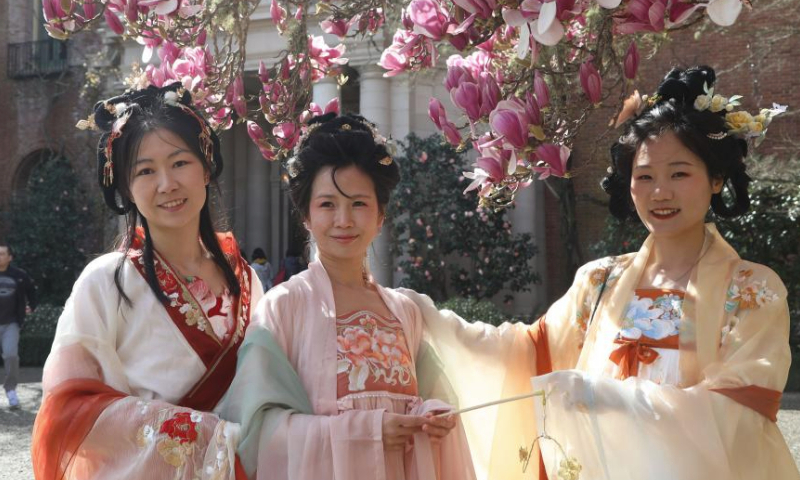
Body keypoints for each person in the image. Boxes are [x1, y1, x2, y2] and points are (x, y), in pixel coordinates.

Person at [402, 66, 799, 480]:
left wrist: (610, 398)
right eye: (644, 177)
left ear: (716, 179)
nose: (660, 192)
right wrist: (432, 320)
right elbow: (527, 351)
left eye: (679, 173)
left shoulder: (753, 289)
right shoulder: (599, 281)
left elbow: (740, 407)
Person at [218, 113, 476, 480]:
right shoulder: (283, 307)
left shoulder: (405, 312)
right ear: (305, 216)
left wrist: (434, 417)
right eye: (327, 205)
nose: (344, 220)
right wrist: (364, 434)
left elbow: (437, 397)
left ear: (381, 215)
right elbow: (256, 429)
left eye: (358, 204)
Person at [31, 84, 263, 480]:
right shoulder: (106, 281)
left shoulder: (245, 278)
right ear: (126, 187)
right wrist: (208, 435)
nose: (166, 184)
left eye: (179, 163)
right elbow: (68, 408)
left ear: (205, 167)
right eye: (145, 171)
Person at [0, 242, 37, 409]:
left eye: (2, 254)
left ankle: (11, 390)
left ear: (10, 257)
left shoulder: (19, 275)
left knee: (11, 356)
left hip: (11, 324)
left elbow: (32, 291)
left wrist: (31, 306)